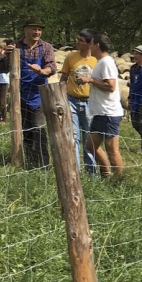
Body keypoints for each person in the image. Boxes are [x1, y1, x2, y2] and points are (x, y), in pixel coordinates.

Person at [4, 19, 55, 167]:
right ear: (25, 29)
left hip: (39, 94)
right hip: (19, 94)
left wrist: (41, 71)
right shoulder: (16, 46)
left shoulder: (46, 47)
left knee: (39, 129)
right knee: (24, 129)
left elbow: (51, 67)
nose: (37, 32)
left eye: (39, 29)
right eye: (34, 29)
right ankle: (28, 160)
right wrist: (6, 55)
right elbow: (3, 68)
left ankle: (43, 163)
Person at [87, 33, 125, 179]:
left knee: (112, 150)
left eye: (91, 44)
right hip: (100, 112)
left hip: (109, 112)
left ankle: (119, 180)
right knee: (90, 146)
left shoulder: (106, 62)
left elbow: (111, 86)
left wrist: (90, 80)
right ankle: (106, 174)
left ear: (96, 45)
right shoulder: (101, 62)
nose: (89, 47)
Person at [61, 29, 98, 174]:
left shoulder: (96, 60)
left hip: (90, 102)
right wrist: (61, 94)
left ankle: (91, 171)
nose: (77, 42)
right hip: (72, 100)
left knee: (89, 138)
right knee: (73, 136)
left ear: (90, 44)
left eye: (81, 40)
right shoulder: (71, 57)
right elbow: (64, 77)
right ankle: (75, 172)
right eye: (77, 39)